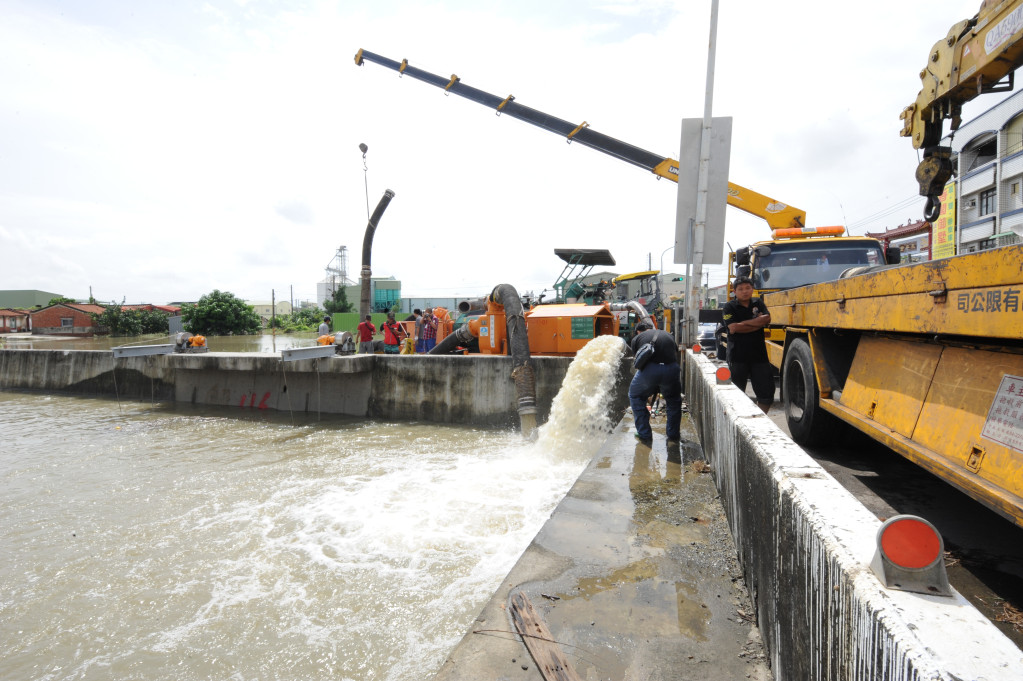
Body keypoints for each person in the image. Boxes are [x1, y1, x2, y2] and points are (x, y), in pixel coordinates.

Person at [722, 275, 774, 412]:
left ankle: (759, 421)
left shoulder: (758, 303)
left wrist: (743, 324)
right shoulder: (729, 307)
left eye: (747, 288)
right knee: (736, 394)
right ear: (734, 291)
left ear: (752, 289)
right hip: (737, 357)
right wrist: (757, 324)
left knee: (766, 394)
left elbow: (767, 318)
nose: (744, 291)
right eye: (740, 289)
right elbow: (733, 328)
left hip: (759, 356)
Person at [628, 322, 682, 446]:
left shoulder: (637, 338)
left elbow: (638, 362)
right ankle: (673, 435)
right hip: (672, 368)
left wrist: (651, 386)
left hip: (649, 370)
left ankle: (644, 434)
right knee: (673, 400)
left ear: (638, 331)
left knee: (635, 396)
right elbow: (675, 352)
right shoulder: (667, 335)